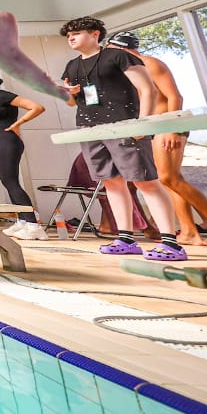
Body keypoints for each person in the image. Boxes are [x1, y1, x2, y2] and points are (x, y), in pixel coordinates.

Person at [58, 17, 183, 260]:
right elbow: (74, 102)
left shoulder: (118, 56)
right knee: (111, 182)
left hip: (124, 125)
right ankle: (125, 238)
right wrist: (68, 94)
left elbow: (148, 89)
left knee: (145, 181)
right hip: (90, 128)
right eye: (68, 36)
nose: (71, 38)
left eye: (76, 33)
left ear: (95, 34)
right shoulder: (72, 66)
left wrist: (142, 123)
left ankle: (171, 242)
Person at [106, 31, 207, 246]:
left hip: (168, 125)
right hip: (151, 129)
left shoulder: (149, 63)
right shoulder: (126, 71)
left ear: (119, 48)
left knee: (169, 179)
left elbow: (174, 96)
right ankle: (189, 231)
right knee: (169, 181)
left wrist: (172, 128)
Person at [0, 67, 45, 236]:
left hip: (8, 142)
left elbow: (37, 107)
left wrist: (18, 124)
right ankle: (22, 220)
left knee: (12, 182)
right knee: (7, 183)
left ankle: (34, 225)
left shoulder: (4, 96)